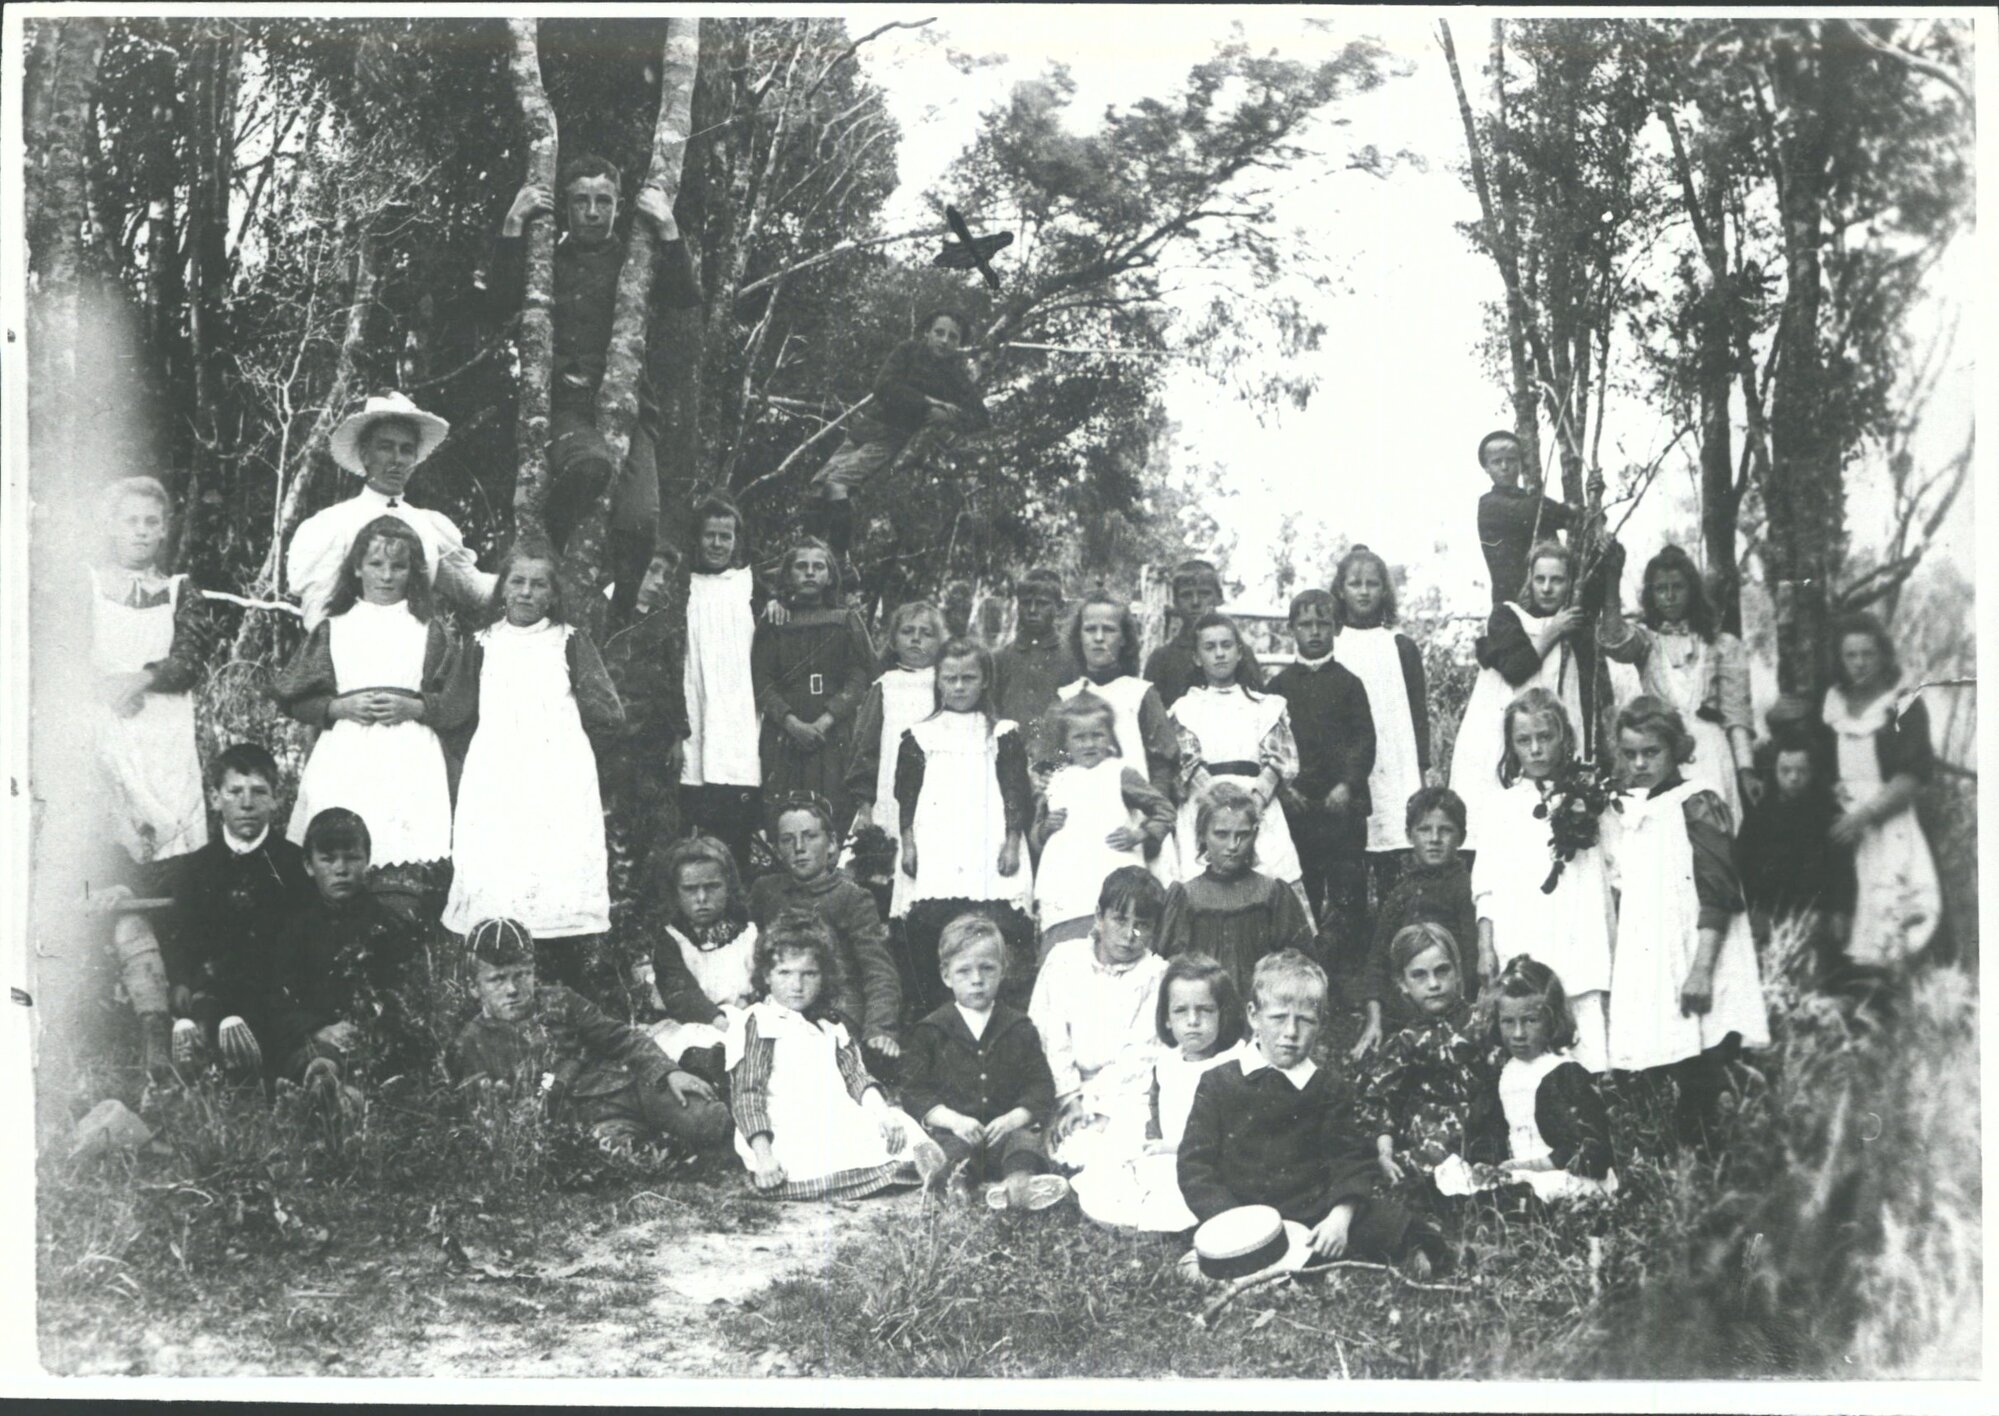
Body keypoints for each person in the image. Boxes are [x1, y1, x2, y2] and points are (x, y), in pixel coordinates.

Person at [498, 154, 706, 614]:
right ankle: (550, 546)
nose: (592, 212)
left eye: (604, 201)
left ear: (618, 204)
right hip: (566, 402)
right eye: (581, 202)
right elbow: (498, 297)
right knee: (590, 467)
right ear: (567, 207)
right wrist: (515, 221)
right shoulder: (548, 260)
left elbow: (685, 296)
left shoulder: (635, 258)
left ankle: (624, 616)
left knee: (641, 519)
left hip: (630, 403)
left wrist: (668, 230)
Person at [1177, 950, 1443, 1272]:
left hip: (1311, 1208)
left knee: (1385, 1221)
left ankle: (1408, 1253)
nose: (1290, 1032)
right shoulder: (1219, 1083)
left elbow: (1348, 1159)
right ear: (1253, 1016)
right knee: (1222, 1251)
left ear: (1321, 1025)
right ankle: (1225, 1258)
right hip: (1240, 1212)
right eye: (1278, 1018)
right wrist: (1229, 1220)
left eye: (1305, 1020)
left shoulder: (1329, 1088)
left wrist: (1339, 1217)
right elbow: (1195, 1164)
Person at [442, 539, 624, 989]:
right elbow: (455, 711)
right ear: (501, 589)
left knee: (553, 867)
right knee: (498, 867)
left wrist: (565, 751)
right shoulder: (481, 644)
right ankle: (494, 977)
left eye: (538, 584)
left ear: (553, 595)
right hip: (497, 775)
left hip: (555, 776)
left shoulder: (568, 642)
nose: (525, 592)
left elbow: (608, 713)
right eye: (516, 582)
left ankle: (557, 982)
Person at [1603, 698, 1770, 1151]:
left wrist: (1701, 969)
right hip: (1656, 954)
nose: (1639, 763)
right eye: (1630, 753)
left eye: (1651, 752)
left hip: (1697, 953)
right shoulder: (1629, 809)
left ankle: (1722, 1160)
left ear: (1675, 749)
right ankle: (1681, 1164)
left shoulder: (1697, 802)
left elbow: (1719, 892)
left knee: (1707, 1060)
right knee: (1671, 1066)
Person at [91, 743, 313, 1079]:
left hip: (270, 991)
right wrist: (180, 980)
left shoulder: (293, 864)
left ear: (275, 799)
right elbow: (181, 927)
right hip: (213, 988)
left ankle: (239, 1065)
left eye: (258, 792)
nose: (247, 803)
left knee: (261, 1023)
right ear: (215, 799)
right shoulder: (196, 866)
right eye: (235, 792)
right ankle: (198, 1059)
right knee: (205, 1014)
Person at [449, 917, 732, 1158]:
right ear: (474, 987)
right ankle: (651, 1140)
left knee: (709, 1122)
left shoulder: (561, 1001)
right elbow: (487, 1115)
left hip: (630, 1090)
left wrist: (669, 1071)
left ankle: (708, 1084)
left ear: (533, 972)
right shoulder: (472, 1043)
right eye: (497, 979)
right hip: (580, 1122)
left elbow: (622, 1038)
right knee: (613, 1153)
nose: (512, 989)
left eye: (521, 975)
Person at [726, 909, 945, 1200]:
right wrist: (764, 1155)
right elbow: (747, 1094)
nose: (797, 985)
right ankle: (880, 1173)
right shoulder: (758, 1021)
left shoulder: (831, 1025)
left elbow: (856, 1077)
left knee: (899, 1122)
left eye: (809, 974)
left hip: (834, 1115)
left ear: (824, 976)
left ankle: (929, 1169)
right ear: (767, 975)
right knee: (802, 1154)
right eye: (785, 973)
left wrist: (882, 1115)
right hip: (784, 1123)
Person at [1471, 689, 1615, 1073]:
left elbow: (1615, 867)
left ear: (1563, 737)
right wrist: (1486, 947)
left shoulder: (1591, 797)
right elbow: (1485, 885)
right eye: (1524, 740)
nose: (1535, 749)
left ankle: (1591, 1096)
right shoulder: (1500, 806)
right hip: (1525, 931)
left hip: (1577, 928)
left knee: (1583, 1019)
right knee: (1529, 1015)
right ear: (1511, 745)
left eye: (1544, 737)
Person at [894, 639, 1036, 1012]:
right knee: (933, 926)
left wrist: (1011, 841)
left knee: (995, 924)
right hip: (938, 844)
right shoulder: (919, 735)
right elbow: (906, 798)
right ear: (937, 681)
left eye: (968, 678)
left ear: (985, 680)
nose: (959, 687)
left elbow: (1015, 791)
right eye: (950, 679)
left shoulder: (1001, 733)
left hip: (988, 843)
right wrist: (908, 843)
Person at [1071, 952, 1250, 1233]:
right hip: (1167, 1150)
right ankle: (1130, 1214)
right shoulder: (1168, 1061)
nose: (1193, 1021)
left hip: (1207, 1160)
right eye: (1181, 1011)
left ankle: (1157, 1221)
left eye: (1204, 1010)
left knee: (1182, 1191)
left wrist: (1172, 1148)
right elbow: (1156, 1104)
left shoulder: (1232, 1064)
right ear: (1166, 1019)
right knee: (1116, 1167)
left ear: (1222, 1013)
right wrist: (1154, 1136)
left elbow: (1232, 1132)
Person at [285, 392, 495, 631]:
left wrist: (528, 574)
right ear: (365, 454)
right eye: (386, 447)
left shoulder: (428, 526)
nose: (397, 459)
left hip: (414, 658)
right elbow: (318, 617)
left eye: (406, 450)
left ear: (415, 458)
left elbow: (474, 590)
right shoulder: (333, 524)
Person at [900, 914, 1066, 1211]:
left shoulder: (1018, 1026)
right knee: (952, 1151)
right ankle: (952, 1186)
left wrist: (1015, 1117)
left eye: (987, 968)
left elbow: (1040, 1084)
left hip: (1004, 1131)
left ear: (1003, 970)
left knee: (1025, 1144)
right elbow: (915, 1091)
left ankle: (1020, 1186)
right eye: (964, 971)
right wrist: (953, 1120)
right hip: (958, 1129)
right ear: (946, 975)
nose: (977, 980)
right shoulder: (932, 1029)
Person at [1808, 613, 1943, 971]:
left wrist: (1865, 817)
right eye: (1850, 655)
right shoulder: (1832, 702)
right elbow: (1817, 762)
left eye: (1867, 653)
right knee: (1843, 906)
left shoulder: (1904, 703)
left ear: (1883, 655)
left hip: (1887, 817)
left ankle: (1891, 987)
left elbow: (1913, 775)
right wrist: (1830, 787)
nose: (1859, 663)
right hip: (1841, 817)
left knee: (1893, 905)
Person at [90, 476, 211, 868]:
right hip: (106, 723)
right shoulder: (89, 586)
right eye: (131, 521)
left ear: (164, 529)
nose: (141, 532)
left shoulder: (180, 589)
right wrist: (107, 690)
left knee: (174, 836)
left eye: (150, 522)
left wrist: (142, 679)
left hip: (165, 731)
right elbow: (65, 655)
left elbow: (191, 660)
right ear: (111, 526)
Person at [803, 309, 990, 562]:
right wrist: (926, 402)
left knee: (837, 484)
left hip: (891, 437)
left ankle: (838, 559)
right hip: (866, 428)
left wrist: (949, 417)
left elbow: (980, 418)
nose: (944, 341)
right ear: (927, 332)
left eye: (953, 337)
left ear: (959, 344)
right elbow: (884, 386)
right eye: (939, 332)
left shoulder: (954, 376)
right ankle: (802, 554)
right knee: (817, 486)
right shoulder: (907, 351)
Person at [1451, 539, 1598, 853]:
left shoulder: (1575, 624)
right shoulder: (1507, 616)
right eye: (1540, 579)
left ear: (1570, 583)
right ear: (1529, 580)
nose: (1546, 588)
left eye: (1557, 580)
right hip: (1501, 729)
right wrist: (1553, 631)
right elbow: (1516, 669)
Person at [1598, 544, 1758, 828]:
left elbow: (1736, 713)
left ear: (1692, 591)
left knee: (1712, 828)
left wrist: (1745, 768)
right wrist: (1611, 580)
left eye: (1677, 587)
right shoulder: (1646, 643)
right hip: (1662, 750)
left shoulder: (1721, 645)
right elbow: (1613, 640)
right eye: (1661, 589)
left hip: (1710, 752)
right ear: (1651, 594)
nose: (1670, 597)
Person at [265, 808, 423, 1091]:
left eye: (352, 858)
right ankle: (322, 1088)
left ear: (367, 861)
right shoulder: (294, 929)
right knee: (315, 1060)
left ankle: (346, 1097)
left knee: (395, 1069)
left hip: (371, 1040)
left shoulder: (387, 925)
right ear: (309, 865)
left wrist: (372, 1029)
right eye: (327, 859)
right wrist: (318, 1029)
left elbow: (403, 995)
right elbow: (279, 999)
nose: (341, 869)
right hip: (317, 1038)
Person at [1029, 867, 1172, 1172]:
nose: (1129, 934)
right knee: (1049, 1140)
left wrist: (1095, 1106)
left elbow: (1141, 1053)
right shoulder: (1064, 960)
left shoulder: (1156, 975)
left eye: (1142, 925)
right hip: (1060, 1085)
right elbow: (1050, 1034)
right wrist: (1069, 1098)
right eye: (1120, 920)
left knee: (1120, 1145)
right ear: (1098, 916)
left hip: (1122, 1091)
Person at [1169, 613, 1309, 921]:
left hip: (1258, 806)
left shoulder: (1265, 705)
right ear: (1196, 656)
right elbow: (1187, 764)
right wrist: (1220, 809)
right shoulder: (1185, 709)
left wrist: (1251, 805)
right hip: (1205, 806)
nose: (1219, 653)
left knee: (1269, 874)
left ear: (1239, 651)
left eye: (1226, 645)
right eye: (1209, 647)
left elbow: (1279, 760)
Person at [749, 793, 903, 1072]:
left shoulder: (852, 897)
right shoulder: (766, 891)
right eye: (787, 839)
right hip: (782, 1003)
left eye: (809, 837)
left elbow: (879, 971)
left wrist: (879, 1029)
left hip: (836, 1009)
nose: (799, 847)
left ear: (831, 844)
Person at [1356, 923, 1504, 1203]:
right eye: (1419, 976)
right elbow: (1380, 1101)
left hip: (1486, 1127)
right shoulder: (1406, 1041)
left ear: (1458, 972)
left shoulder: (1482, 1022)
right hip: (1435, 1138)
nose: (1434, 984)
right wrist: (1385, 1152)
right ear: (1403, 984)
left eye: (1442, 971)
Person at [1268, 587, 1376, 946]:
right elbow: (1269, 746)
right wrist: (1284, 791)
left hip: (1342, 810)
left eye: (1322, 624)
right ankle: (1309, 967)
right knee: (1304, 893)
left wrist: (1347, 785)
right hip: (1299, 811)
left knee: (1349, 894)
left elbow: (1364, 742)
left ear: (1336, 628)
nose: (1314, 632)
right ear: (1291, 629)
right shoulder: (1277, 688)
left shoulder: (1349, 684)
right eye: (1305, 624)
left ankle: (1352, 980)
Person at [1031, 692, 1174, 958]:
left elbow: (1164, 809)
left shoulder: (1119, 773)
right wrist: (1045, 828)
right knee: (1068, 955)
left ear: (1109, 736)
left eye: (1097, 735)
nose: (1089, 744)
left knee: (1115, 947)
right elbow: (1036, 837)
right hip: (1065, 886)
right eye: (1079, 737)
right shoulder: (1056, 779)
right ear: (1065, 741)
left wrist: (1140, 833)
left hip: (1111, 877)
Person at [1328, 546, 1430, 905]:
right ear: (1340, 589)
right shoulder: (1333, 645)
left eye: (1373, 583)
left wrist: (1421, 769)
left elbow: (1418, 713)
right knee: (1350, 860)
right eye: (1355, 583)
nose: (1364, 591)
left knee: (1393, 853)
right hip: (1352, 765)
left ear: (1384, 590)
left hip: (1393, 757)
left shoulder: (1400, 645)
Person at [1057, 589, 1183, 882]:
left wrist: (1152, 832)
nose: (1099, 638)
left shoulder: (1139, 694)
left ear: (1124, 638)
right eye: (1090, 629)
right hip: (1085, 824)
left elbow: (1162, 765)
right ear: (1079, 637)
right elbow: (1057, 767)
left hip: (1135, 824)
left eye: (1109, 630)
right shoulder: (1067, 697)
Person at [597, 550, 692, 931]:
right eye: (652, 570)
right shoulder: (602, 614)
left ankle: (648, 925)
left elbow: (673, 680)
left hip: (653, 747)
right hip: (612, 746)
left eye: (666, 575)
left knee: (655, 833)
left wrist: (678, 735)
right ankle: (614, 919)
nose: (658, 581)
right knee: (613, 830)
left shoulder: (663, 623)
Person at [1157, 783, 1314, 1005]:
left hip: (1261, 1008)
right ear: (1202, 835)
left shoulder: (1272, 893)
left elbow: (1300, 962)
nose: (1233, 845)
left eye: (1243, 835)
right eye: (1221, 834)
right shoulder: (1185, 896)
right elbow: (1167, 965)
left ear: (1255, 834)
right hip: (1204, 1009)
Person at [754, 539, 875, 825]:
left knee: (834, 812)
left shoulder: (846, 620)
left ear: (830, 575)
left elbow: (859, 675)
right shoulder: (774, 621)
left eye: (818, 567)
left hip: (833, 734)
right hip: (785, 735)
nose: (810, 573)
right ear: (788, 575)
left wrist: (826, 720)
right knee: (786, 811)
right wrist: (791, 723)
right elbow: (761, 679)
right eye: (801, 566)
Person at [845, 598, 948, 920]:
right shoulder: (885, 686)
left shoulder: (946, 685)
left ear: (940, 641)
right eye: (908, 631)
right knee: (882, 876)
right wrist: (865, 807)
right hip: (889, 796)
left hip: (933, 796)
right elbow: (866, 749)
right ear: (893, 639)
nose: (916, 639)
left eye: (926, 633)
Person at [1356, 787, 1479, 1057]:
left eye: (1445, 830)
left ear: (1461, 837)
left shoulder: (1465, 889)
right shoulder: (1401, 892)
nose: (1434, 839)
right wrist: (1374, 1021)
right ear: (1409, 836)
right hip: (1404, 1012)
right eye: (1424, 830)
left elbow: (1470, 962)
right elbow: (1377, 960)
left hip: (1451, 1008)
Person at [678, 494, 764, 874]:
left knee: (734, 838)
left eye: (725, 537)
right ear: (697, 538)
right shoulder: (682, 587)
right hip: (693, 709)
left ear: (736, 541)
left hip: (737, 719)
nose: (717, 544)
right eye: (710, 535)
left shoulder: (749, 586)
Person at [1489, 956, 1618, 1204]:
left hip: (1569, 1174)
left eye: (1530, 1021)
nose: (1518, 1034)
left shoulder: (1562, 1073)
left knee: (1534, 1193)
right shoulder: (1508, 1071)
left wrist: (1530, 1166)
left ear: (1551, 1019)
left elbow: (1585, 1147)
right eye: (1508, 1022)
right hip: (1525, 1170)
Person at [633, 835, 756, 1090]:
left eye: (712, 887)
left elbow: (762, 976)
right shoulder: (672, 939)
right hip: (695, 1022)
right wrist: (718, 1020)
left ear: (728, 887)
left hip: (745, 1017)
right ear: (675, 893)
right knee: (694, 1052)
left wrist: (748, 1006)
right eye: (690, 889)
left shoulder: (749, 933)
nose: (702, 897)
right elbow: (680, 992)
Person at [1737, 741, 1856, 965]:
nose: (1793, 778)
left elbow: (1842, 870)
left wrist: (1841, 912)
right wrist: (1755, 908)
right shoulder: (1760, 815)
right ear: (1774, 772)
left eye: (1801, 771)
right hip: (1768, 911)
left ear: (1812, 772)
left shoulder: (1828, 814)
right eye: (1786, 771)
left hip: (1814, 913)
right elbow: (1743, 865)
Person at [1472, 429, 1599, 608]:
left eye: (1511, 460)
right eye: (1496, 462)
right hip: (1514, 602)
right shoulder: (1489, 504)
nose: (1504, 467)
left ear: (1520, 463)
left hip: (1548, 597)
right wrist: (1569, 510)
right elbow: (1533, 511)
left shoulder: (1531, 499)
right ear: (1486, 467)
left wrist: (1593, 496)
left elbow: (1584, 519)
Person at [991, 568, 1076, 770]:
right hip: (1009, 760)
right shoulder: (1001, 658)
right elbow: (991, 710)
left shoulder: (1073, 658)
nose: (1032, 610)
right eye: (1026, 603)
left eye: (1042, 603)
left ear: (1059, 607)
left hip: (1058, 763)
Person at [1142, 560, 1230, 710]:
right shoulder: (1161, 660)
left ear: (1219, 599)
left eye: (1204, 593)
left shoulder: (1236, 654)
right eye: (1186, 595)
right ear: (1175, 602)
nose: (1195, 602)